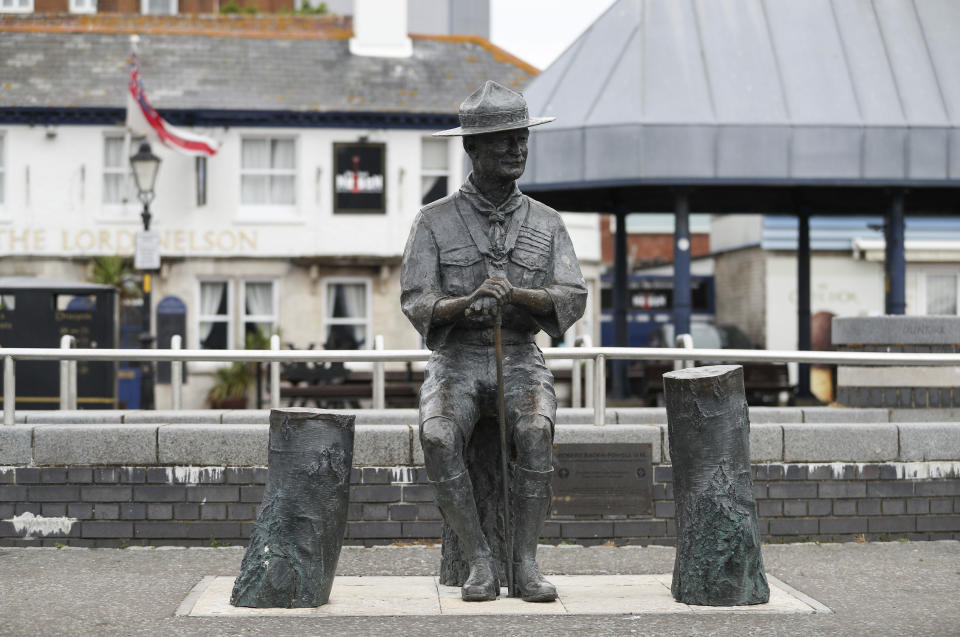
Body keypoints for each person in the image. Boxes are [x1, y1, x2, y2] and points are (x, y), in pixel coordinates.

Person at [401, 81, 587, 602]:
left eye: (522, 138)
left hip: (521, 358)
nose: (517, 149)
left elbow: (571, 296)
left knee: (534, 430)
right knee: (438, 438)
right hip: (456, 361)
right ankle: (480, 560)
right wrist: (465, 306)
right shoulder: (432, 221)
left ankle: (524, 562)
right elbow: (416, 300)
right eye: (504, 139)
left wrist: (519, 298)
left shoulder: (547, 223)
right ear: (472, 148)